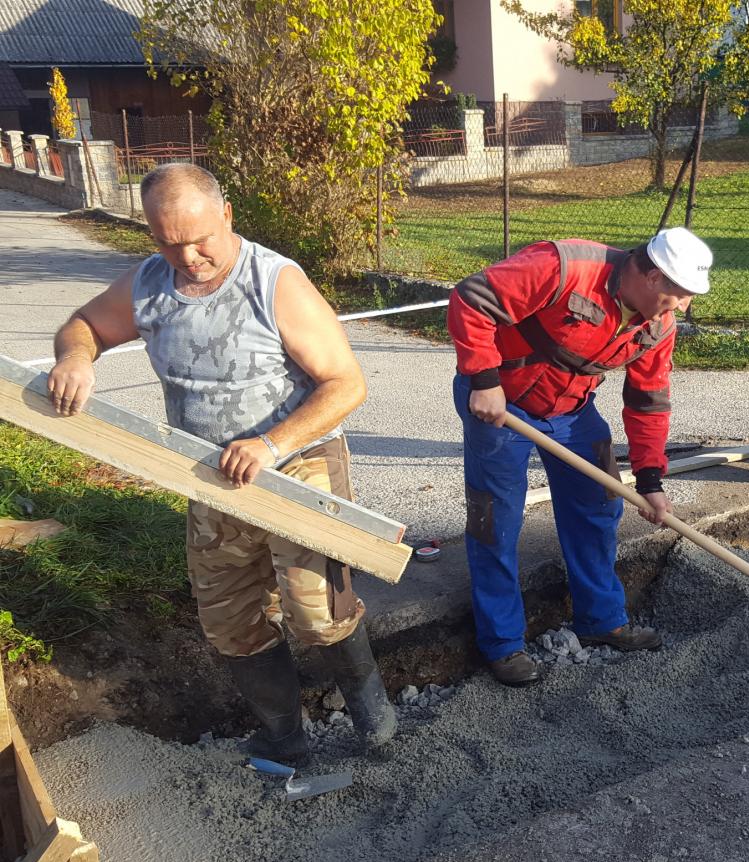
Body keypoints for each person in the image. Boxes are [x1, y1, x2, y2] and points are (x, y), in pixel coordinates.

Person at [45, 162, 395, 762]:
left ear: (226, 214)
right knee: (231, 622)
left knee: (317, 614)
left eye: (200, 239)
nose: (188, 258)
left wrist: (270, 444)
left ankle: (375, 721)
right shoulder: (149, 285)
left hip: (298, 463)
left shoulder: (275, 282)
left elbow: (345, 384)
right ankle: (285, 741)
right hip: (209, 473)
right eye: (168, 242)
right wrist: (76, 358)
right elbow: (82, 326)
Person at [447, 228, 713, 686]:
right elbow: (472, 298)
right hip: (501, 404)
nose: (684, 307)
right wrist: (484, 380)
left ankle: (601, 620)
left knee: (599, 504)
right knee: (496, 521)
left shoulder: (658, 326)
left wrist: (650, 480)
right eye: (681, 294)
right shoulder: (564, 266)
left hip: (571, 411)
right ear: (652, 277)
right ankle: (503, 644)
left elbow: (648, 401)